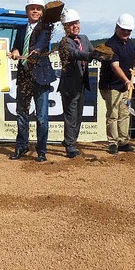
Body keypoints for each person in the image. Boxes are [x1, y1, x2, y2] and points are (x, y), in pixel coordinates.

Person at [9, 0, 56, 162]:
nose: (35, 10)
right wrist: (15, 51)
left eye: (38, 8)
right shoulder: (21, 29)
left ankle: (41, 150)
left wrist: (34, 51)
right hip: (24, 76)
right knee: (22, 113)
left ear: (42, 12)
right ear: (27, 10)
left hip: (41, 76)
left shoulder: (46, 28)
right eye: (32, 8)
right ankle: (21, 146)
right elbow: (16, 46)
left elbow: (41, 43)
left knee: (42, 117)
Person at [98, 13, 135, 155]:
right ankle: (113, 143)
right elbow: (115, 66)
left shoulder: (129, 42)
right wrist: (127, 80)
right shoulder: (111, 45)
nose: (126, 33)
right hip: (111, 86)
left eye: (129, 31)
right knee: (113, 114)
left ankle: (123, 141)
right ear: (117, 27)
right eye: (124, 30)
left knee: (124, 114)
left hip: (123, 86)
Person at [58, 9, 95, 158]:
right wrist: (92, 55)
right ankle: (70, 145)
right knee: (71, 115)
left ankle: (71, 141)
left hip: (81, 84)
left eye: (76, 23)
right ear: (66, 27)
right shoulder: (64, 42)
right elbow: (75, 54)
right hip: (69, 86)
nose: (75, 26)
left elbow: (93, 50)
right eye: (71, 24)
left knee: (78, 115)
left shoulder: (84, 39)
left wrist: (103, 55)